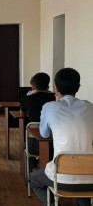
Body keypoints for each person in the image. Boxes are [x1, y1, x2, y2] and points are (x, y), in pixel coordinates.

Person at [30, 68, 93, 206]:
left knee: (34, 179)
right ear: (78, 87)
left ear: (56, 87)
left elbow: (44, 134)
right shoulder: (90, 107)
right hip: (90, 175)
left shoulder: (49, 106)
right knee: (83, 186)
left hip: (61, 177)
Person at [21, 73, 55, 170]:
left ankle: (33, 170)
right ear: (48, 86)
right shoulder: (55, 98)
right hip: (54, 142)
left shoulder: (26, 99)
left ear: (32, 87)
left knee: (25, 145)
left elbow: (23, 114)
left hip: (34, 144)